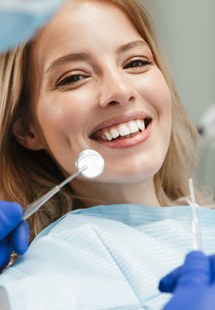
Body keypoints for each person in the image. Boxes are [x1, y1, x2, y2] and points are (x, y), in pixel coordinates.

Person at [0, 0, 214, 309]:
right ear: (28, 130)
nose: (119, 90)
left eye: (136, 62)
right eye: (74, 77)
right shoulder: (43, 279)